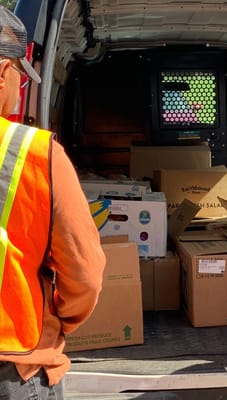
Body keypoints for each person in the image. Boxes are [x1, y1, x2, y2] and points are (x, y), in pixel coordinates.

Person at [0, 6, 106, 399]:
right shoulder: (33, 151)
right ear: (3, 72)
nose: (19, 90)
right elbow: (85, 271)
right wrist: (61, 322)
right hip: (15, 361)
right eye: (20, 78)